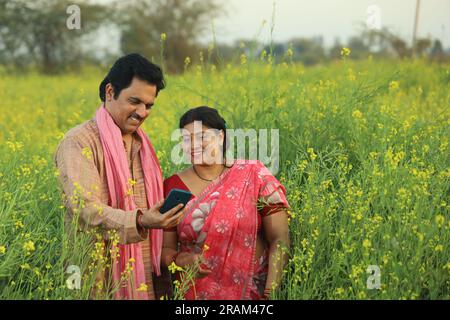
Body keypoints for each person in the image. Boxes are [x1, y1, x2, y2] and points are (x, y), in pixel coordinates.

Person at [54, 53, 185, 300]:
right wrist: (141, 220)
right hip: (100, 277)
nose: (142, 112)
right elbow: (85, 210)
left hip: (145, 274)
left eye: (149, 105)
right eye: (134, 101)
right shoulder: (79, 142)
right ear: (110, 92)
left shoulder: (144, 145)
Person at [161, 106, 290, 300]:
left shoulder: (253, 174)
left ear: (221, 136)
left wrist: (269, 294)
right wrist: (181, 259)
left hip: (252, 294)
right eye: (186, 139)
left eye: (202, 136)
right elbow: (163, 250)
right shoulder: (173, 186)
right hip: (195, 294)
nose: (194, 144)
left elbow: (279, 238)